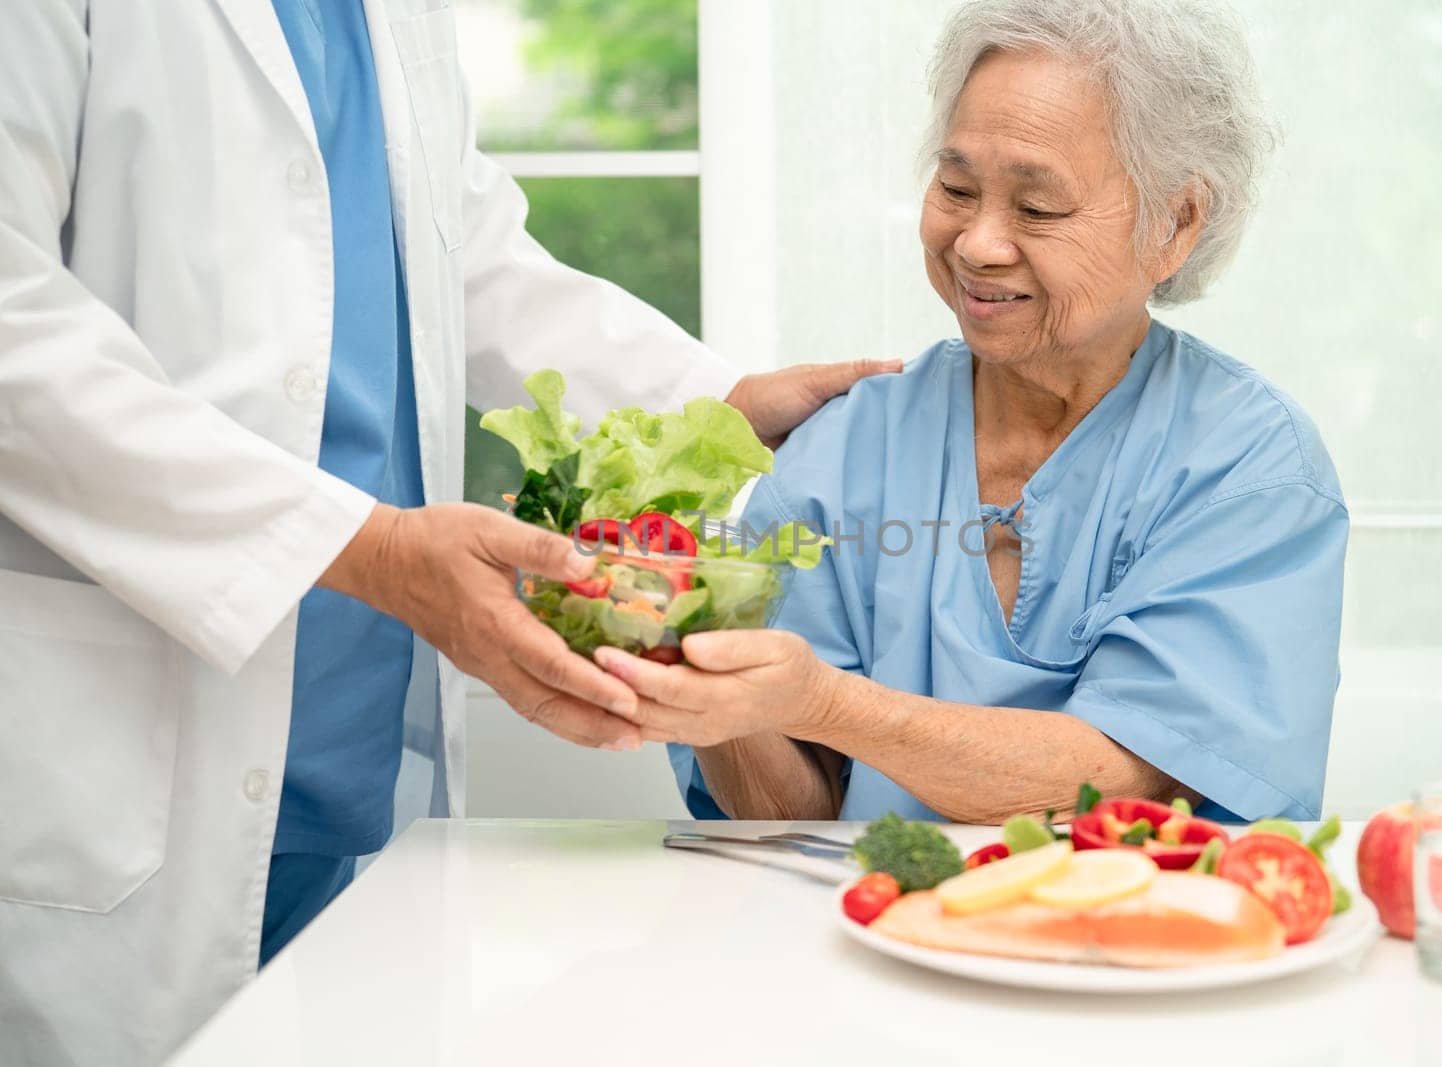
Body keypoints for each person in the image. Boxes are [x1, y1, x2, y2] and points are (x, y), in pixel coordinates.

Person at [0, 3, 892, 1063]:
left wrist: (711, 397)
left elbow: (463, 253)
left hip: (354, 749)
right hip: (136, 739)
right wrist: (370, 550)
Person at [594, 0, 1348, 827]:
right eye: (956, 188)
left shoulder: (1249, 464)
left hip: (1134, 945)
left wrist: (824, 702)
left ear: (1176, 222)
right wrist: (698, 649)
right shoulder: (846, 447)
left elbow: (1125, 785)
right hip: (856, 942)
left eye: (1037, 208)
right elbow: (790, 817)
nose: (978, 243)